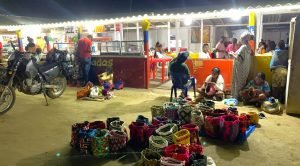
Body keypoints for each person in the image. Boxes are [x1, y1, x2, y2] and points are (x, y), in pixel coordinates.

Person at [229, 32, 252, 98]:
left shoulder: (243, 47)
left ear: (244, 39)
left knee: (237, 83)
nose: (240, 40)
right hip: (245, 68)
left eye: (241, 39)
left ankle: (236, 97)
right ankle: (240, 97)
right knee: (242, 83)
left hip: (239, 69)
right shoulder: (249, 47)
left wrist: (232, 54)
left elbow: (240, 59)